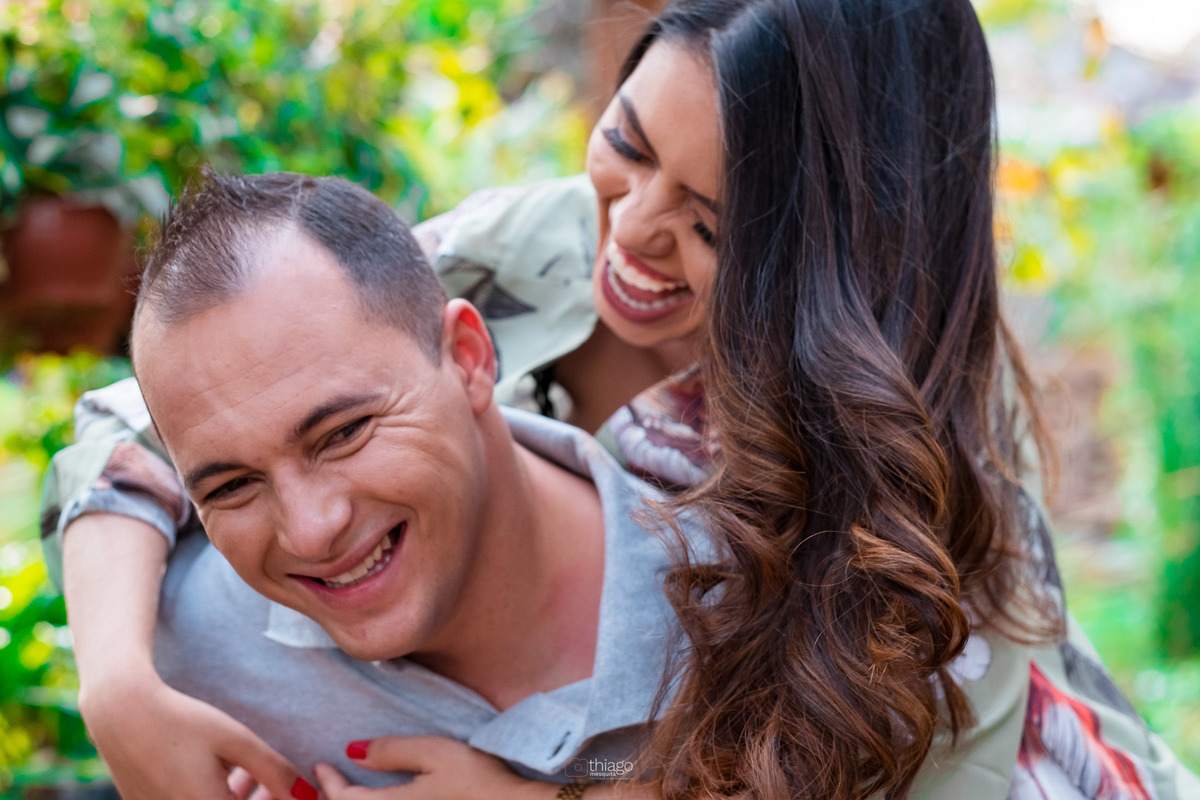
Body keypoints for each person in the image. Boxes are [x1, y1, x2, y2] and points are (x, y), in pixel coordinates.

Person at [43, 0, 1200, 798]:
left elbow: (883, 765)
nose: (633, 233)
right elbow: (158, 414)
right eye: (629, 145)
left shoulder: (918, 484)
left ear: (836, 268)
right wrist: (121, 685)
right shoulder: (541, 243)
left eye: (709, 221)